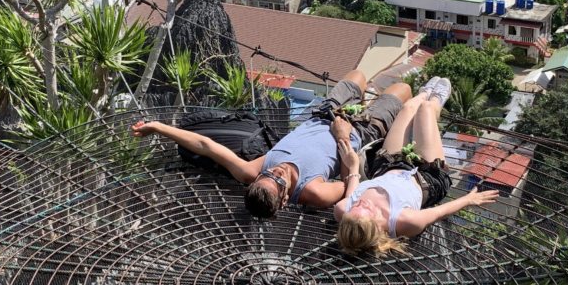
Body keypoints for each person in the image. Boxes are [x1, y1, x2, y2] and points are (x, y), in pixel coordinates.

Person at [131, 70, 413, 218]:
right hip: (358, 130)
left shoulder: (253, 170)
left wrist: (159, 128)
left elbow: (205, 145)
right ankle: (376, 103)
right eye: (277, 181)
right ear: (284, 198)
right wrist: (342, 137)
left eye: (267, 175)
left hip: (321, 114)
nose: (275, 172)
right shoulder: (313, 191)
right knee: (402, 91)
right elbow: (349, 183)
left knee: (358, 76)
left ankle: (366, 94)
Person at [332, 77, 499, 255]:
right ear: (376, 225)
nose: (359, 203)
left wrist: (353, 165)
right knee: (425, 110)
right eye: (364, 209)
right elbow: (439, 212)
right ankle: (436, 100)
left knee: (408, 108)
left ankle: (425, 92)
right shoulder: (405, 221)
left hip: (389, 166)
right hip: (427, 176)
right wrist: (469, 200)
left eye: (355, 207)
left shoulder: (344, 210)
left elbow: (351, 192)